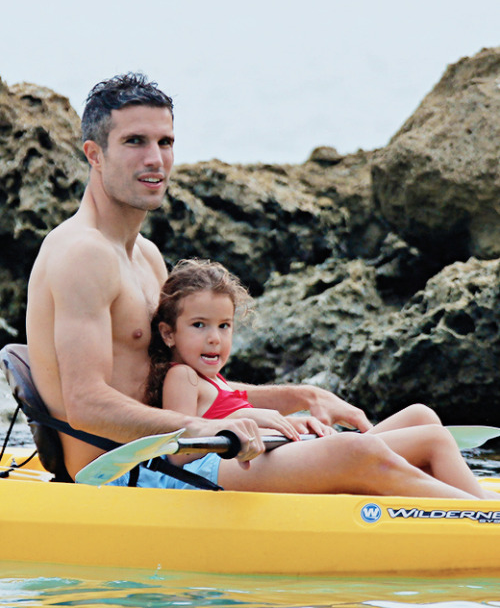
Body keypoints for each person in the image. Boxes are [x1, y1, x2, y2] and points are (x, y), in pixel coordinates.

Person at [24, 72, 491, 498]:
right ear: (94, 154)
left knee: (424, 424)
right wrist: (206, 424)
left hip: (188, 446)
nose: (155, 159)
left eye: (165, 141)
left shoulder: (145, 255)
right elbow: (86, 404)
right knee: (357, 455)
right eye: (134, 141)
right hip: (123, 470)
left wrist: (294, 397)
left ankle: (476, 539)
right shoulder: (81, 253)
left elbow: (178, 379)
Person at [144, 258, 498, 499]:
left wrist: (299, 424)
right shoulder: (183, 377)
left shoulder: (216, 379)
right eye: (199, 325)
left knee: (422, 417)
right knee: (418, 441)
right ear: (169, 333)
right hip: (227, 468)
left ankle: (455, 508)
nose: (214, 339)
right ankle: (481, 517)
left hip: (279, 452)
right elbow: (176, 454)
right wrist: (239, 418)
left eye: (224, 326)